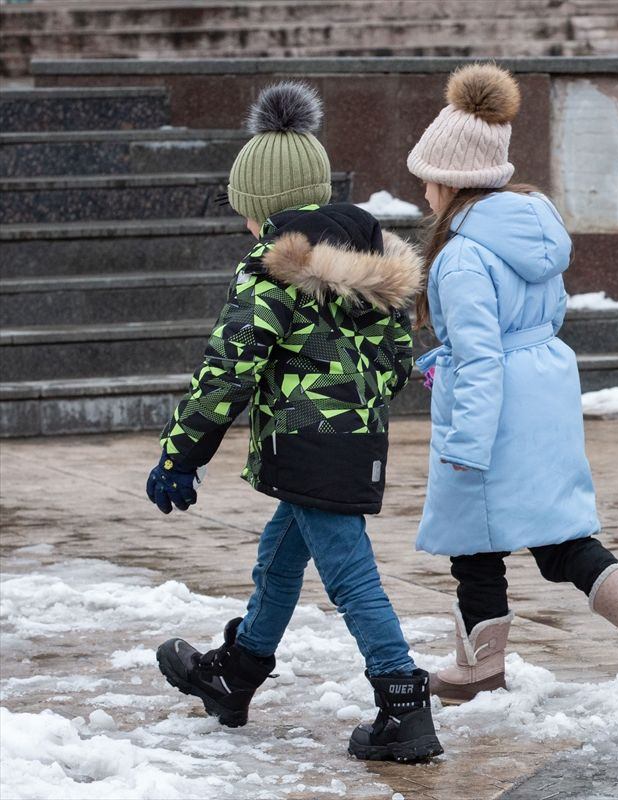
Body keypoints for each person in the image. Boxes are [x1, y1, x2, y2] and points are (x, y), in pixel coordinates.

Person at [145, 82, 442, 763]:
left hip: (305, 442)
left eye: (250, 216)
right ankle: (238, 674)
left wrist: (180, 456)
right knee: (278, 561)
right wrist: (352, 396)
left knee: (350, 575)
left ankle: (403, 703)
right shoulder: (372, 264)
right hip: (354, 441)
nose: (250, 230)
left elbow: (228, 372)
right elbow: (398, 357)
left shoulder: (270, 273)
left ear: (265, 213)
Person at [405, 63, 618, 704]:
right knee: (559, 537)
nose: (422, 188)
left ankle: (479, 667)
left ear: (451, 179)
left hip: (493, 412)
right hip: (544, 391)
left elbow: (480, 358)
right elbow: (543, 320)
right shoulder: (532, 230)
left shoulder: (460, 255)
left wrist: (465, 445)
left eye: (427, 175)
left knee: (474, 544)